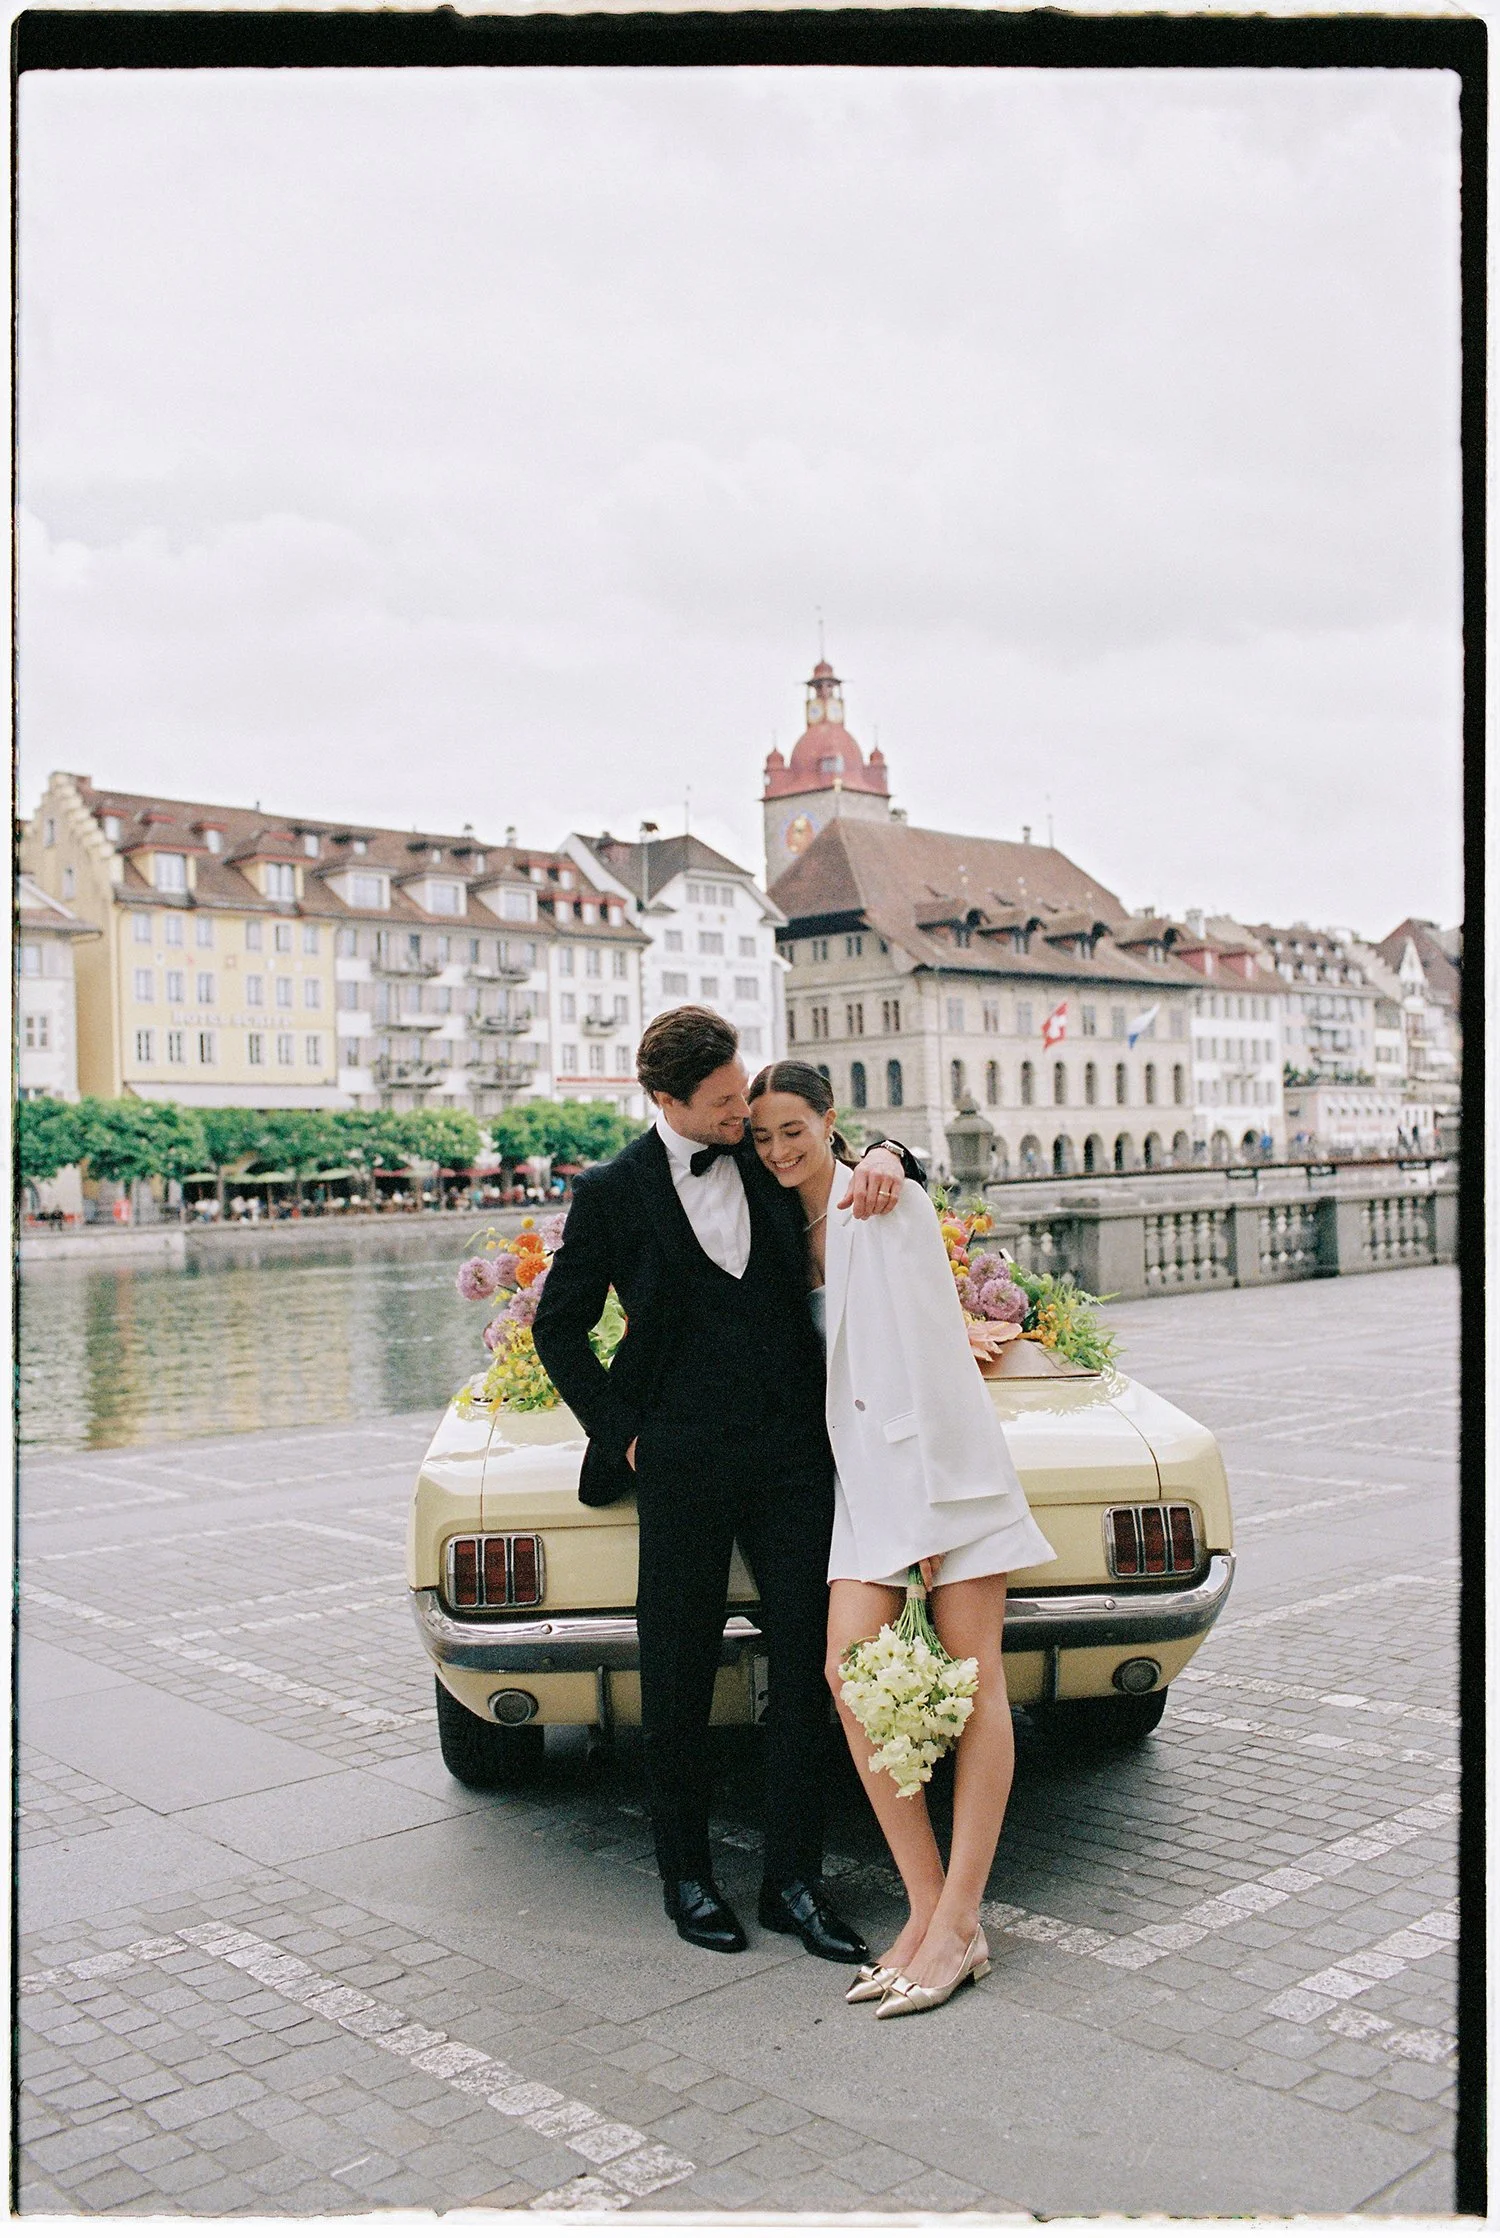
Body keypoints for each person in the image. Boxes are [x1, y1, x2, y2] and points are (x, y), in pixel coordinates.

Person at [532, 1006, 924, 1960]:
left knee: (808, 1667)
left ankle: (795, 1881)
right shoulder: (612, 1191)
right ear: (665, 1100)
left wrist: (890, 1152)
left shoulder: (762, 1151)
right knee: (675, 1670)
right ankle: (687, 1876)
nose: (740, 1115)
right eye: (719, 1103)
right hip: (679, 1458)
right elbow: (558, 1328)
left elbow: (840, 1152)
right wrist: (624, 1436)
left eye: (740, 1094)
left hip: (795, 1453)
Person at [747, 1060, 1056, 2020]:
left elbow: (933, 1359)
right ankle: (926, 1909)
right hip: (861, 1487)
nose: (778, 1149)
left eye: (793, 1129)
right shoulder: (771, 1224)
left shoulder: (890, 1203)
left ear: (828, 1121)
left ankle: (960, 1921)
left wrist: (925, 1514)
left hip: (940, 1476)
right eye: (762, 1135)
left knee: (975, 1680)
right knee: (846, 1674)